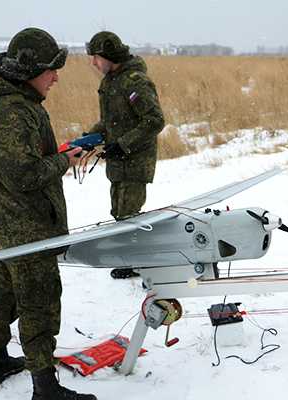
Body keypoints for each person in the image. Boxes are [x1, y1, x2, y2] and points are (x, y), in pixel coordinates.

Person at [0, 27, 96, 399]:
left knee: (4, 291)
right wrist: (63, 160)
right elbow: (23, 174)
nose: (56, 77)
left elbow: (19, 163)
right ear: (30, 70)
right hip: (24, 226)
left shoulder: (11, 102)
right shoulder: (10, 110)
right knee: (39, 301)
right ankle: (45, 387)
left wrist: (54, 155)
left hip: (6, 224)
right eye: (51, 70)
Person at [85, 31, 165, 279]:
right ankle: (131, 258)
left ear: (109, 56)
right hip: (118, 162)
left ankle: (140, 262)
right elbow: (110, 121)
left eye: (96, 58)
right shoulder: (110, 81)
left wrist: (123, 144)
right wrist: (89, 137)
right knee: (118, 212)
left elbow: (155, 120)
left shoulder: (135, 81)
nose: (93, 63)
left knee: (129, 214)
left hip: (136, 160)